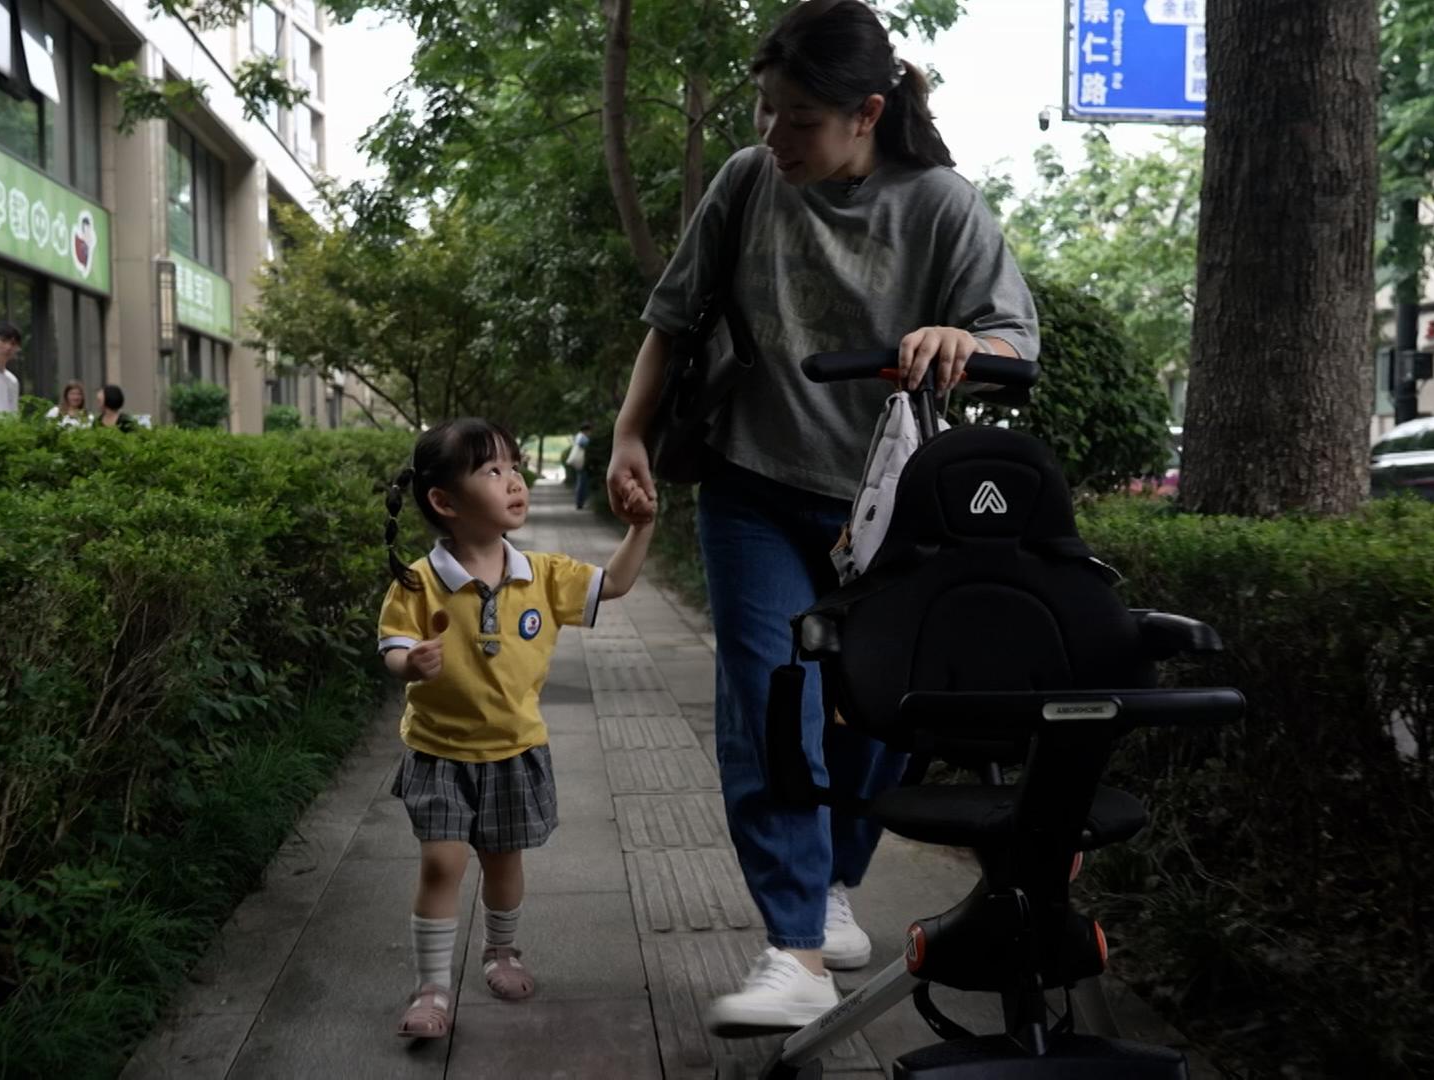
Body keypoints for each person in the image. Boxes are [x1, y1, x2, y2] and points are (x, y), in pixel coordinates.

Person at [604, 0, 1041, 1033]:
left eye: (798, 118)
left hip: (888, 509)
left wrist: (959, 338)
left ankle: (834, 883)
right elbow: (672, 322)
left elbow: (1017, 343)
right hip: (752, 483)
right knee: (770, 699)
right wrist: (628, 437)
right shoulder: (748, 183)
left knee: (881, 712)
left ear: (867, 113)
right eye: (765, 111)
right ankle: (794, 947)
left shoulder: (941, 206)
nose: (773, 136)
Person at [378, 417, 656, 1039]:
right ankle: (431, 986)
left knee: (503, 864)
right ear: (444, 502)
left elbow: (612, 584)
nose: (515, 482)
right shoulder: (417, 583)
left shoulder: (544, 573)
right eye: (493, 471)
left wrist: (641, 526)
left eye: (515, 468)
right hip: (439, 753)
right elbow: (393, 648)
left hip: (514, 750)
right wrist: (411, 661)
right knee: (441, 865)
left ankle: (501, 952)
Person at [566, 423, 592, 509]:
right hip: (581, 463)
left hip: (579, 463)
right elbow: (583, 444)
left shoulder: (578, 436)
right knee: (582, 482)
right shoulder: (582, 437)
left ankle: (580, 502)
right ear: (586, 430)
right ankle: (580, 502)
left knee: (581, 482)